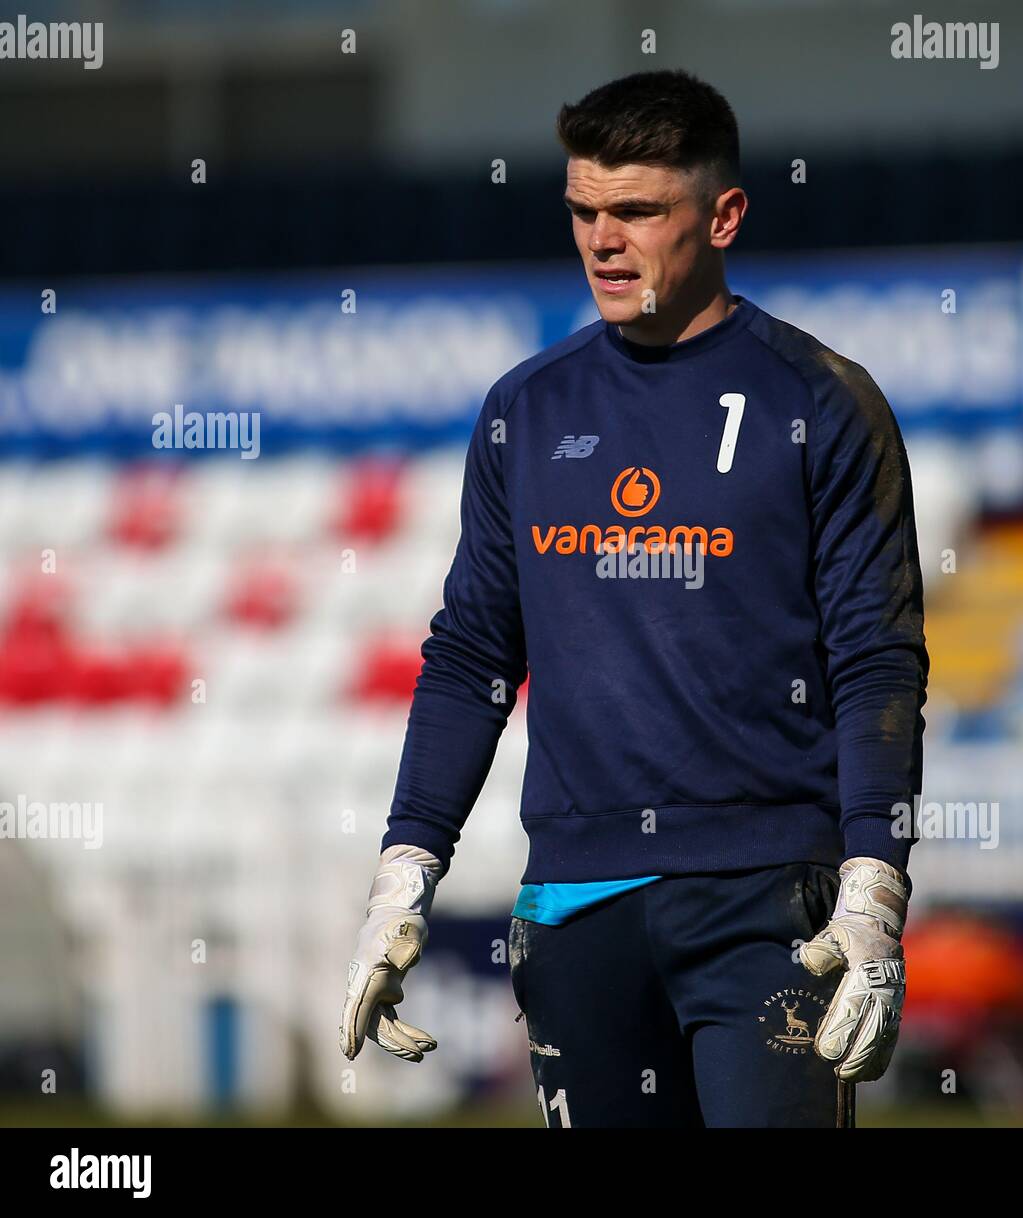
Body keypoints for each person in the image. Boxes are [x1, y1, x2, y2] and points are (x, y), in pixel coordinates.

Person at [339, 69, 928, 1128]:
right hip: (574, 907)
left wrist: (876, 885)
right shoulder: (526, 407)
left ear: (724, 214)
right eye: (584, 212)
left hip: (769, 907)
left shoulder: (823, 402)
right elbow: (473, 653)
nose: (603, 240)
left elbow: (878, 660)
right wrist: (405, 872)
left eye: (637, 211)